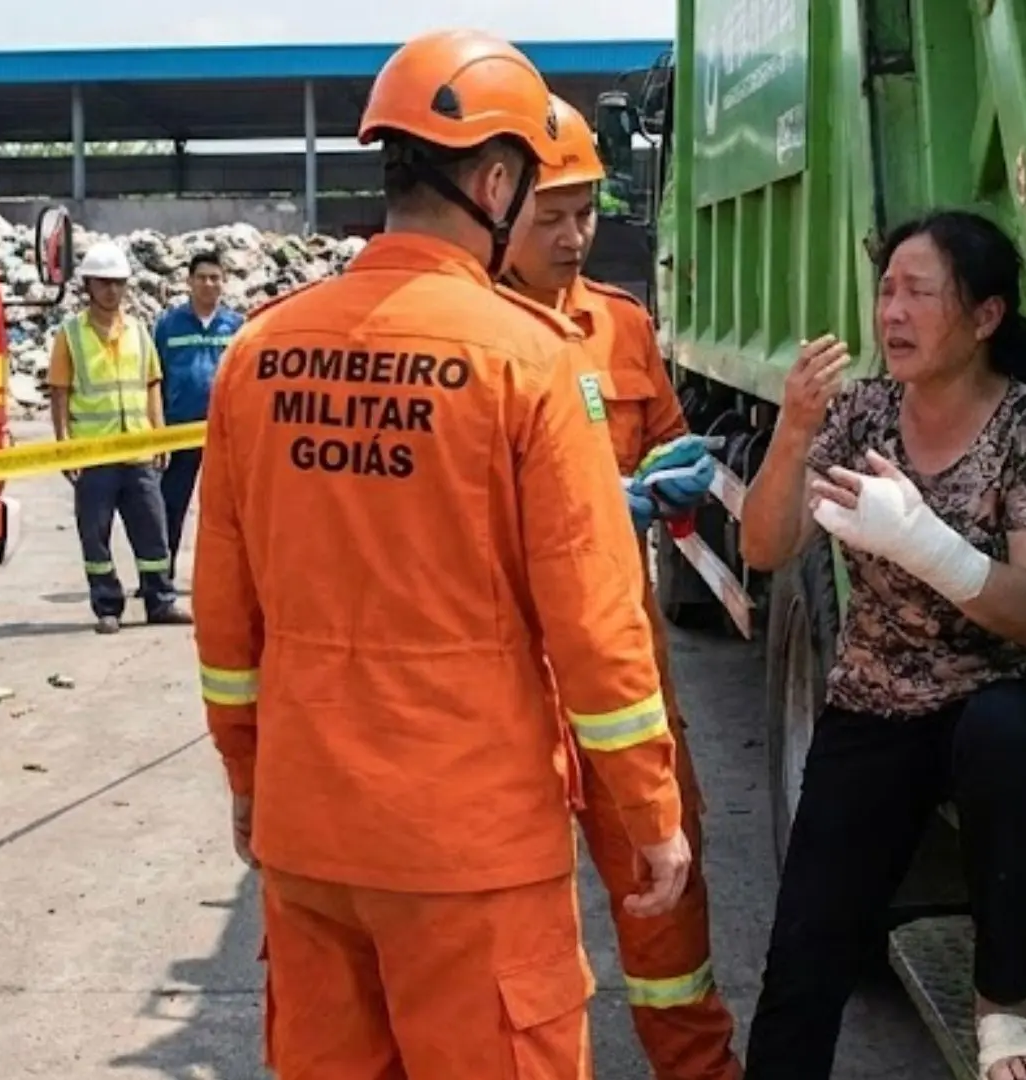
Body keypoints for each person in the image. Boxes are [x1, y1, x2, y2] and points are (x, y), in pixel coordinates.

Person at [191, 30, 693, 1080]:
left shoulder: (258, 354)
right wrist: (649, 810)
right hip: (473, 849)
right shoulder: (528, 359)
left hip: (309, 833)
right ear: (498, 183)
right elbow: (597, 630)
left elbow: (226, 623)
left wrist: (248, 775)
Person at [736, 209, 1026, 1080]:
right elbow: (764, 546)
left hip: (1003, 698)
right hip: (880, 700)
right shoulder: (860, 415)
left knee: (1007, 730)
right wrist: (793, 428)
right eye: (886, 290)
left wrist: (924, 543)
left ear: (985, 316)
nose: (892, 312)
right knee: (805, 954)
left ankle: (1003, 1001)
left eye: (920, 294)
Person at [503, 95, 742, 1080]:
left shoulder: (622, 326)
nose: (574, 236)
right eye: (551, 215)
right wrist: (601, 501)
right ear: (495, 205)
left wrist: (680, 469)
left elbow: (667, 439)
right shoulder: (473, 339)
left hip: (622, 656)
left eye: (586, 213)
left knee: (665, 885)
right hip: (512, 674)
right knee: (515, 916)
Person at [45, 240, 191, 634]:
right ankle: (107, 606)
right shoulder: (71, 335)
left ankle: (160, 600)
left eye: (118, 283)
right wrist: (65, 446)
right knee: (96, 536)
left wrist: (159, 436)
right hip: (94, 455)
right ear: (88, 286)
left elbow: (152, 384)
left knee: (153, 531)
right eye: (104, 282)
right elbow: (60, 392)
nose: (112, 290)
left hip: (139, 452)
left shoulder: (139, 331)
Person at [152, 249, 244, 583]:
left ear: (224, 282)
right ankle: (160, 577)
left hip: (226, 435)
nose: (208, 284)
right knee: (171, 505)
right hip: (179, 430)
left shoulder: (237, 327)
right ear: (189, 282)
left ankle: (232, 580)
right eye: (202, 277)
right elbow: (155, 378)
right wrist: (157, 431)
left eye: (215, 278)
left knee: (229, 509)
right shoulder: (168, 325)